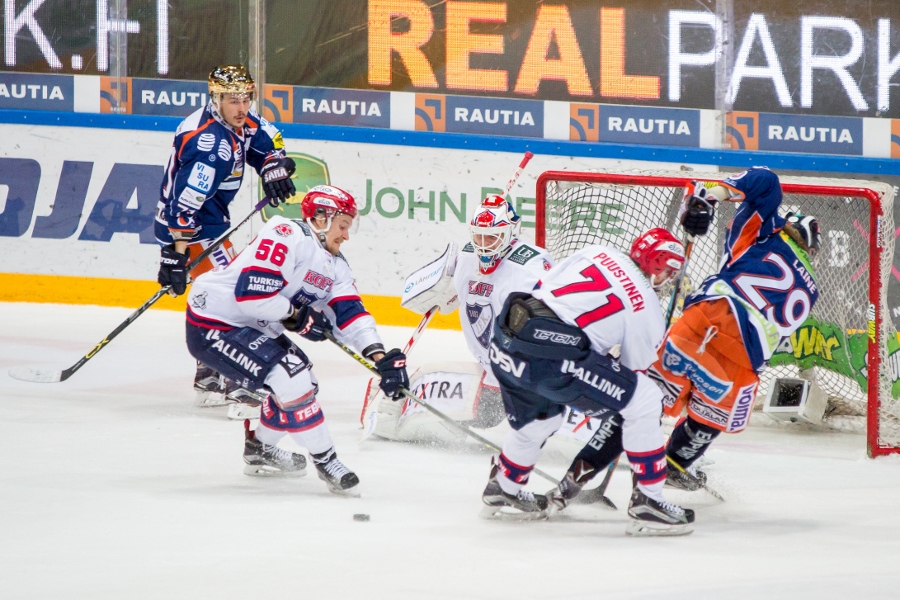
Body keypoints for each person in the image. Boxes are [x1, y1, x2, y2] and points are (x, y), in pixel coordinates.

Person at [183, 185, 410, 495]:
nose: (346, 235)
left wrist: (380, 357)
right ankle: (327, 461)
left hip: (256, 324)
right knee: (292, 378)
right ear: (321, 218)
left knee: (304, 386)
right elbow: (251, 295)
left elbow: (350, 314)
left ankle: (260, 448)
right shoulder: (285, 232)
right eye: (343, 225)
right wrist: (296, 315)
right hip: (215, 322)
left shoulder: (336, 266)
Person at [484, 228, 696, 536]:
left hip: (506, 339)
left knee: (541, 420)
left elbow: (544, 287)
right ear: (658, 265)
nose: (667, 280)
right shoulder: (646, 305)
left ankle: (504, 487)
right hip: (552, 359)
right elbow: (633, 374)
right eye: (668, 272)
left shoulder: (598, 251)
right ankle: (649, 501)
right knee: (646, 400)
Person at [648, 167, 821, 490]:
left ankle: (610, 447)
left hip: (706, 321)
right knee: (709, 419)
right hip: (744, 359)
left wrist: (708, 198)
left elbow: (764, 180)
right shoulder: (810, 291)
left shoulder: (766, 235)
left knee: (647, 401)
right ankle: (676, 463)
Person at [155, 64, 298, 407]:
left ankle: (208, 376)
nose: (242, 106)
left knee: (223, 295)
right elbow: (184, 205)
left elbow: (268, 139)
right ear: (215, 98)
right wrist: (176, 255)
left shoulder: (239, 119)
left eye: (246, 97)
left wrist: (273, 167)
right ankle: (236, 379)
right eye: (232, 99)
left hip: (212, 222)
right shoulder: (208, 144)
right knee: (236, 298)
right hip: (191, 229)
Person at [366, 195, 554, 441]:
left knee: (494, 417)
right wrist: (441, 289)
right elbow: (449, 299)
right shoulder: (465, 257)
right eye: (479, 236)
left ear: (511, 234)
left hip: (522, 369)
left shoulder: (531, 266)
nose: (484, 245)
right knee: (483, 415)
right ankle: (387, 404)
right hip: (488, 363)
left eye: (492, 237)